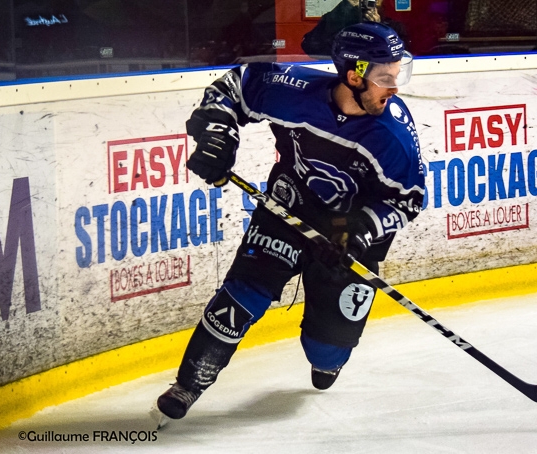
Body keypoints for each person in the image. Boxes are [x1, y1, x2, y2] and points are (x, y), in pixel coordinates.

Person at [153, 22, 425, 424]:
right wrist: (217, 136)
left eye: (397, 73)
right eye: (385, 77)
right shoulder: (291, 88)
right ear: (354, 76)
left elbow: (408, 199)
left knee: (326, 355)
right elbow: (233, 88)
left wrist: (361, 232)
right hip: (287, 209)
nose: (395, 86)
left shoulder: (393, 135)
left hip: (349, 233)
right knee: (243, 293)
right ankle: (189, 383)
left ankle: (328, 353)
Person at [301, 0, 408, 58]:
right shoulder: (339, 24)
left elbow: (399, 55)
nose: (368, 4)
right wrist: (345, 7)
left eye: (373, 1)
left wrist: (378, 29)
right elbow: (310, 47)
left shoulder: (393, 27)